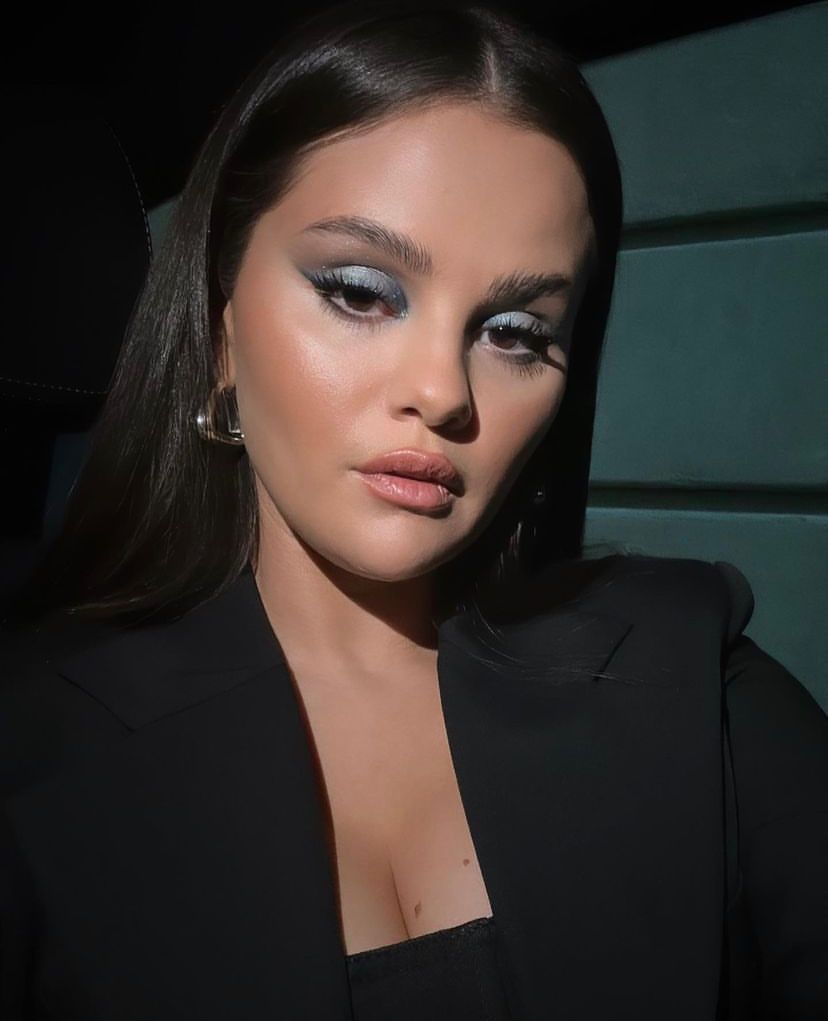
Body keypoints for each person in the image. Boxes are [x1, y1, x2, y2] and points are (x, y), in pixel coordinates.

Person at [1, 1, 826, 1018]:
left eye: (515, 331)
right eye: (359, 291)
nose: (441, 391)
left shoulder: (699, 684)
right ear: (220, 326)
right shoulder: (32, 751)